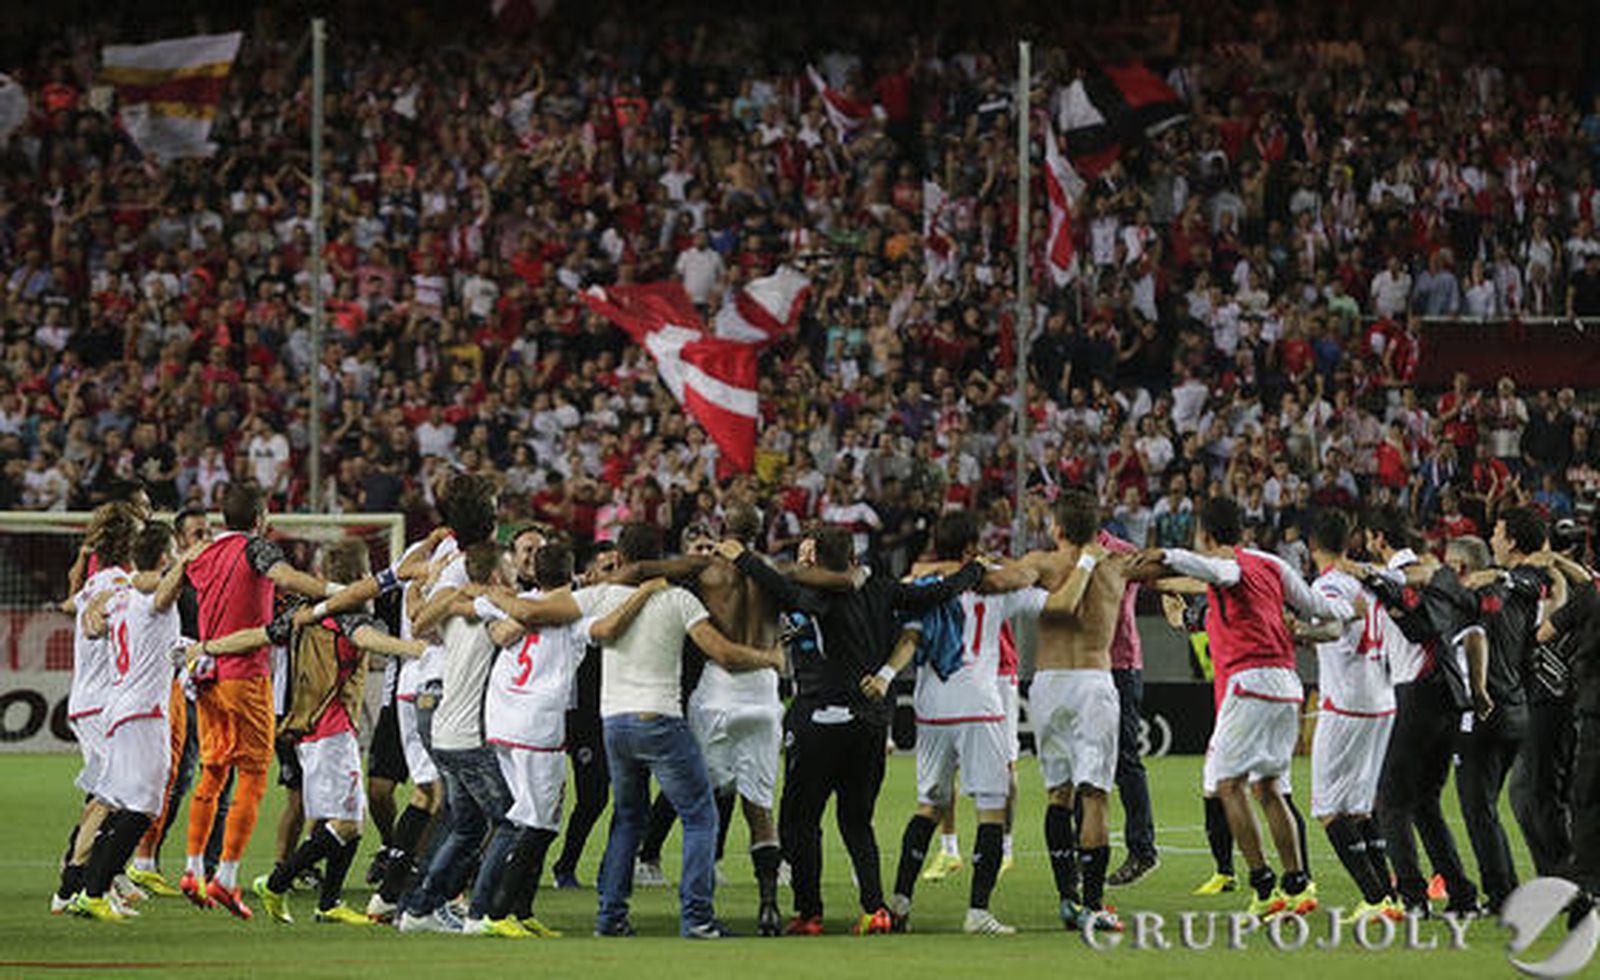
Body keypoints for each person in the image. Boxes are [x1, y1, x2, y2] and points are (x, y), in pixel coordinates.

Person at [491, 522, 782, 939]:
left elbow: (532, 612)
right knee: (701, 817)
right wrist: (768, 657)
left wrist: (485, 593)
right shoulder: (679, 599)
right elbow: (722, 654)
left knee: (627, 819)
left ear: (623, 559)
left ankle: (610, 918)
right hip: (659, 719)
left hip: (614, 726)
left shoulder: (602, 595)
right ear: (657, 556)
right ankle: (697, 918)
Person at [729, 524, 985, 936]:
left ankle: (810, 913)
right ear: (853, 558)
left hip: (819, 715)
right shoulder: (882, 589)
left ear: (818, 560)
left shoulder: (809, 596)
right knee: (856, 820)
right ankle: (875, 909)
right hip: (870, 719)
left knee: (799, 820)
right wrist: (973, 571)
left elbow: (771, 579)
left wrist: (739, 556)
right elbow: (934, 593)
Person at [1144, 495, 1357, 919]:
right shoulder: (1272, 564)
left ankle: (1262, 885)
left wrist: (1163, 555)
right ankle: (1296, 883)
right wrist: (1353, 609)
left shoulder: (1229, 564)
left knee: (1226, 785)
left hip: (1250, 681)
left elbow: (1214, 568)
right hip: (1285, 683)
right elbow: (1316, 607)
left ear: (1205, 534)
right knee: (1268, 787)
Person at [200, 539, 427, 925]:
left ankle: (328, 904)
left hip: (308, 731)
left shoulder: (301, 615)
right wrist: (416, 648)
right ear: (360, 577)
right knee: (347, 824)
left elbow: (257, 635)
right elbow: (369, 640)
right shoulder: (351, 618)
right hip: (332, 731)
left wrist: (206, 647)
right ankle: (277, 881)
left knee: (347, 824)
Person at [475, 541, 663, 936]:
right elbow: (608, 629)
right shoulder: (576, 611)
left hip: (501, 720)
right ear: (571, 571)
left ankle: (519, 911)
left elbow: (490, 625)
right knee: (539, 823)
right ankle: (496, 913)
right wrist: (643, 593)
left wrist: (497, 608)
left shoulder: (519, 601)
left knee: (526, 816)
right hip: (537, 724)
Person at [880, 511, 1046, 936]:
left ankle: (899, 903)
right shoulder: (993, 582)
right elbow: (1047, 601)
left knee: (928, 805)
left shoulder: (921, 584)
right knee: (989, 809)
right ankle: (978, 912)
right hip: (980, 705)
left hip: (931, 707)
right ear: (973, 545)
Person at [180, 482, 335, 918]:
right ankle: (226, 878)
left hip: (207, 677)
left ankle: (192, 868)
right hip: (245, 676)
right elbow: (284, 577)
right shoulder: (257, 549)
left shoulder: (203, 552)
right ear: (260, 517)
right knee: (251, 774)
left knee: (211, 771)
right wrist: (334, 589)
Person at [67, 523, 200, 921]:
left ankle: (84, 887)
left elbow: (91, 625)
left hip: (119, 709)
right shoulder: (149, 598)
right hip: (144, 712)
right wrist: (188, 561)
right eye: (174, 550)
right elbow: (161, 594)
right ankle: (92, 891)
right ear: (164, 557)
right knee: (143, 807)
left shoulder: (120, 597)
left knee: (119, 803)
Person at [1357, 506, 1482, 918]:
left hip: (1418, 692)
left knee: (1390, 801)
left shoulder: (1402, 577)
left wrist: (1371, 580)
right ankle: (1462, 895)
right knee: (1425, 801)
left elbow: (1418, 625)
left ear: (1378, 538)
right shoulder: (1428, 571)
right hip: (1447, 696)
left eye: (1370, 538)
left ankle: (1412, 897)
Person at [1302, 511, 1401, 923]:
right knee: (1359, 807)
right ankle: (1389, 900)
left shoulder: (1325, 585)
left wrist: (1297, 632)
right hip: (1382, 698)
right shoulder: (1369, 579)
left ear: (1312, 548)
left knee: (1327, 807)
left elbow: (1337, 624)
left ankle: (1375, 897)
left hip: (1346, 704)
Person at [53, 502, 140, 915]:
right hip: (102, 704)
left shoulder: (100, 580)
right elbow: (89, 618)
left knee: (110, 796)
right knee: (113, 797)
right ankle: (75, 888)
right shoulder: (120, 583)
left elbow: (71, 606)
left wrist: (83, 566)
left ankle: (85, 885)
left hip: (91, 702)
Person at [551, 541, 619, 889]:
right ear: (589, 575)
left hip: (605, 713)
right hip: (570, 713)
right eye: (608, 568)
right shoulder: (571, 607)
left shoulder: (622, 604)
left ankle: (581, 867)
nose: (616, 575)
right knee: (550, 799)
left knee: (602, 796)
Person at [1102, 529, 1160, 887]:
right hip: (1087, 666)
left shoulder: (1121, 553)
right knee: (1085, 760)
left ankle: (1143, 851)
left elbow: (1161, 575)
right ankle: (1084, 852)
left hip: (1121, 664)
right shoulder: (1072, 553)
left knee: (1124, 758)